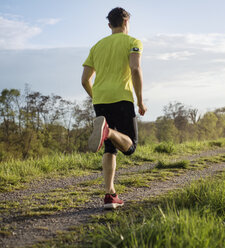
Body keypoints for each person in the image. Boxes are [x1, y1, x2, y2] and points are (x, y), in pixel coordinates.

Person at [81, 7, 147, 209]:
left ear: (109, 25)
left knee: (110, 148)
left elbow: (85, 80)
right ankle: (107, 131)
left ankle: (110, 195)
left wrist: (97, 98)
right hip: (121, 98)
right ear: (126, 22)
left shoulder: (97, 46)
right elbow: (135, 69)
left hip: (100, 99)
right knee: (130, 147)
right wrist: (140, 100)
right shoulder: (133, 42)